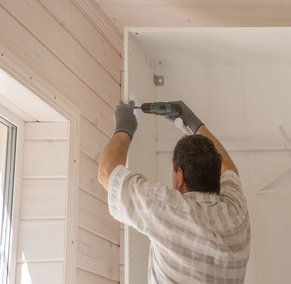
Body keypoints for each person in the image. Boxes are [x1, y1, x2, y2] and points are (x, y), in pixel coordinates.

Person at [98, 100, 251, 283]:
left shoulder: (170, 209)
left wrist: (125, 126)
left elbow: (107, 172)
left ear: (180, 176)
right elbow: (229, 169)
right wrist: (193, 122)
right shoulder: (237, 212)